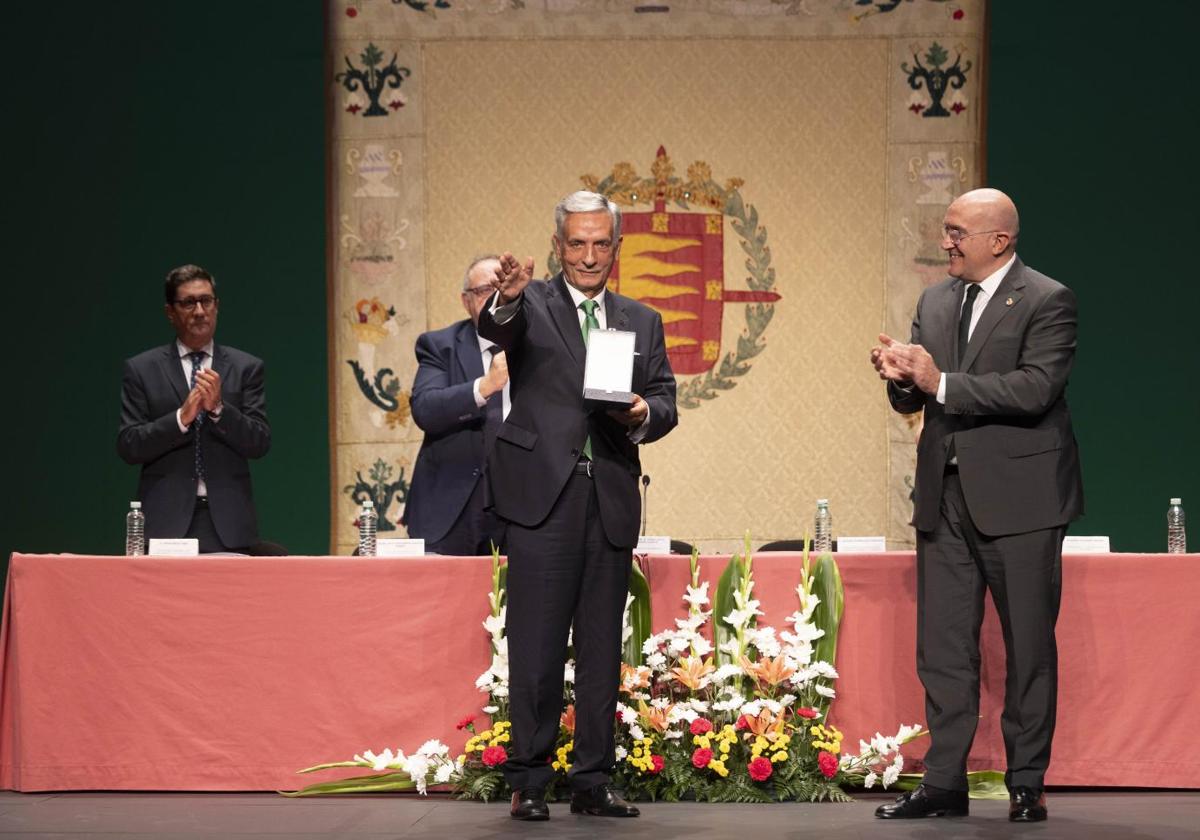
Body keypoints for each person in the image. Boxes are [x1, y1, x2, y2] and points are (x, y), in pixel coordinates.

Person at [871, 188, 1083, 823]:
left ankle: (1025, 781)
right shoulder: (936, 300)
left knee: (1027, 642)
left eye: (959, 231)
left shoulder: (1048, 300)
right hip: (946, 494)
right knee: (943, 647)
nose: (947, 242)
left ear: (1000, 240)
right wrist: (901, 377)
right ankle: (943, 783)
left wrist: (941, 381)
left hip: (1022, 499)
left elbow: (1036, 388)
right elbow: (920, 401)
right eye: (945, 229)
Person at [480, 191, 678, 821]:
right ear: (558, 247)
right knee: (535, 646)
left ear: (616, 249)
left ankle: (593, 779)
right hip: (544, 499)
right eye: (577, 243)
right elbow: (495, 327)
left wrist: (647, 413)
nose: (589, 255)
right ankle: (531, 780)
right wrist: (507, 297)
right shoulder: (530, 305)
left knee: (600, 650)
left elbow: (665, 398)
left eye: (601, 244)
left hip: (610, 496)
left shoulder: (641, 319)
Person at [117, 264, 271, 553]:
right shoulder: (142, 369)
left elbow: (259, 442)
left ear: (216, 306)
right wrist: (180, 419)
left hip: (229, 522)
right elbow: (129, 445)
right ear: (170, 312)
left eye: (206, 301)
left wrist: (219, 411)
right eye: (188, 302)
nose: (199, 311)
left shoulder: (245, 367)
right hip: (165, 520)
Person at [403, 255, 509, 555]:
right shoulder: (440, 345)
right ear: (466, 301)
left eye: (503, 288)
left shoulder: (539, 346)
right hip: (451, 508)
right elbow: (425, 408)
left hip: (522, 507)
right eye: (485, 290)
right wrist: (485, 386)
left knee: (520, 601)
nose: (495, 298)